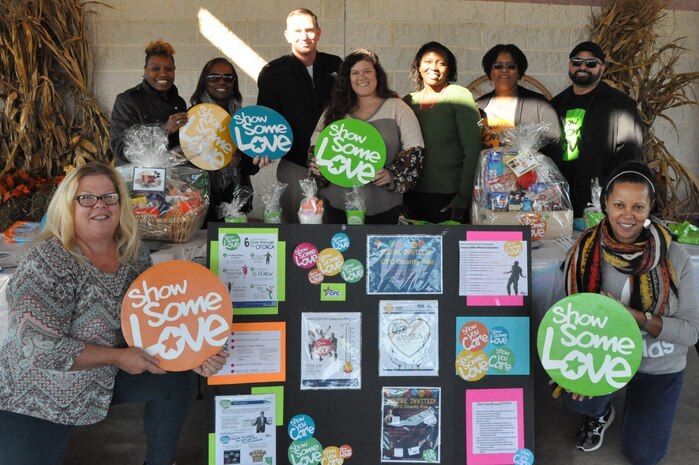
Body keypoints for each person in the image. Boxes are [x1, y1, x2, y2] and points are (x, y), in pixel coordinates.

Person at [0, 163, 227, 465]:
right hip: (36, 393)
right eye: (86, 198)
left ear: (122, 203)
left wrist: (196, 351)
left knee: (176, 378)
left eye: (110, 196)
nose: (100, 206)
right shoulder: (47, 260)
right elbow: (36, 347)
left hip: (102, 377)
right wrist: (119, 357)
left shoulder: (134, 255)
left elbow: (154, 323)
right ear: (67, 206)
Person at [561, 161, 699, 464]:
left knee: (643, 455)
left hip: (659, 360)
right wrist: (573, 367)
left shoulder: (674, 255)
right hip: (604, 353)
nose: (628, 215)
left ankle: (640, 403)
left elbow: (690, 331)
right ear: (605, 205)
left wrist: (635, 317)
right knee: (575, 397)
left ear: (651, 208)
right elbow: (566, 320)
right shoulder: (584, 251)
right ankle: (600, 412)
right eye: (619, 204)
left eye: (638, 206)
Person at [309, 49, 424, 224]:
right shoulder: (334, 111)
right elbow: (315, 148)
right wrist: (317, 166)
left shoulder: (397, 108)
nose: (361, 77)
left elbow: (415, 151)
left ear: (378, 74)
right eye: (354, 73)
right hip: (337, 205)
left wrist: (391, 175)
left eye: (367, 71)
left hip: (383, 206)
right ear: (347, 79)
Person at [256, 8, 341, 223]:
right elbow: (265, 120)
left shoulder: (337, 66)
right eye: (297, 31)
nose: (304, 36)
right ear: (287, 35)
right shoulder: (273, 73)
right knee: (298, 230)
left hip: (337, 162)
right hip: (295, 165)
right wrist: (261, 149)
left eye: (310, 30)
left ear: (319, 33)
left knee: (336, 226)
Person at [551, 41, 643, 217]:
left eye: (591, 63)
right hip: (561, 201)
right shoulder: (556, 104)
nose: (582, 67)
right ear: (570, 65)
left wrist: (611, 192)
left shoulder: (620, 105)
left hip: (601, 202)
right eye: (576, 62)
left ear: (603, 69)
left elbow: (630, 155)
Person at [402, 42, 481, 223]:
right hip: (412, 195)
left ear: (449, 68)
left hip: (449, 196)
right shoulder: (408, 101)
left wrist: (463, 198)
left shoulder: (459, 96)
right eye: (428, 61)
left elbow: (473, 150)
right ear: (418, 66)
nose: (434, 67)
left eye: (441, 63)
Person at [191, 57, 259, 223]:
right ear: (204, 82)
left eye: (228, 78)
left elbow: (251, 168)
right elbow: (187, 162)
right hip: (204, 200)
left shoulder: (244, 119)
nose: (221, 82)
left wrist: (242, 159)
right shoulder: (193, 117)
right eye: (214, 77)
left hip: (236, 199)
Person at [476, 44, 562, 160]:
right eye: (498, 66)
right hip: (487, 175)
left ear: (519, 72)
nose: (504, 70)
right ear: (489, 71)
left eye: (511, 66)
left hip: (530, 175)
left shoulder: (539, 105)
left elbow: (555, 144)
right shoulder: (478, 106)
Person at [110, 40, 189, 165]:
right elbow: (119, 148)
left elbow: (181, 145)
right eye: (155, 68)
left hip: (171, 178)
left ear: (174, 70)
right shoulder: (127, 100)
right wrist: (163, 130)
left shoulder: (179, 103)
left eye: (168, 69)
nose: (163, 73)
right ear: (145, 70)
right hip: (137, 179)